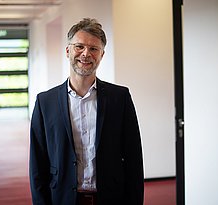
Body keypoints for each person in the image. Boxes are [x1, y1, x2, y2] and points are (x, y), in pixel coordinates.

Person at [29, 18, 144, 205]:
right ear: (68, 51)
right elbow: (37, 164)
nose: (86, 54)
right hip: (62, 199)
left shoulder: (120, 98)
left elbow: (133, 159)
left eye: (93, 49)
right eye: (79, 46)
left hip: (110, 199)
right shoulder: (45, 102)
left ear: (102, 55)